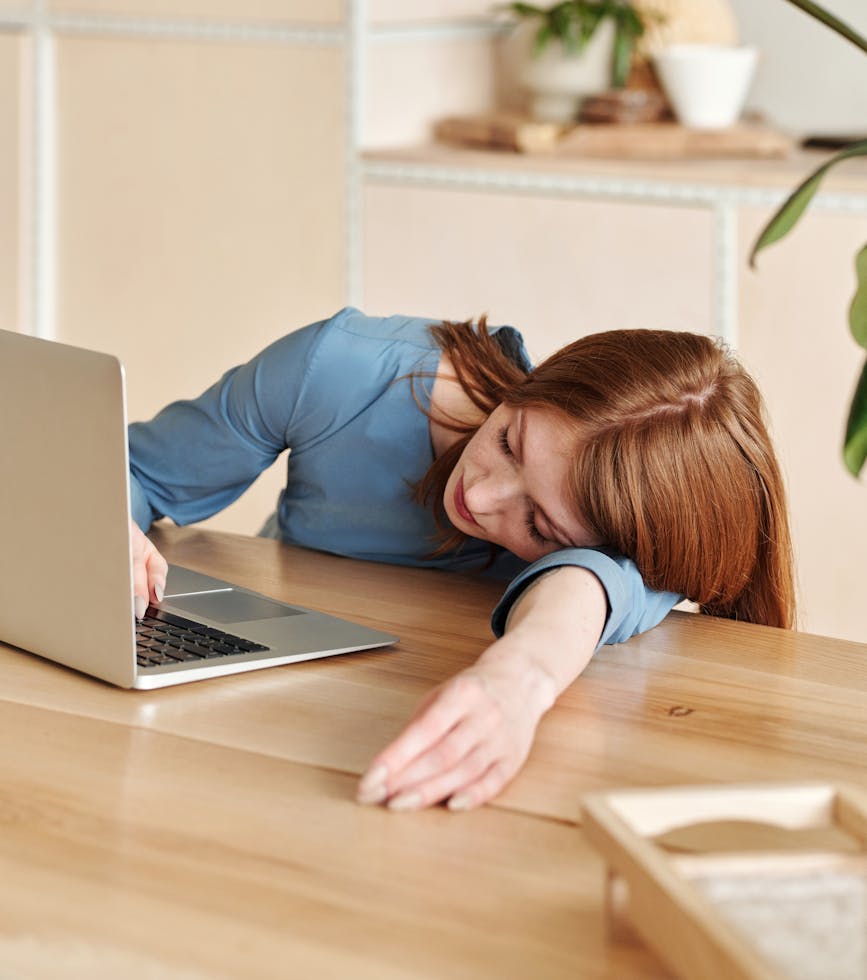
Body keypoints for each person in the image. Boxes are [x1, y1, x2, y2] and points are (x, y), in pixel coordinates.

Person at [128, 306, 795, 813]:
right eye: (509, 442)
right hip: (251, 700)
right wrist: (111, 523)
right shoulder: (341, 371)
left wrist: (518, 680)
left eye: (537, 522)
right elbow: (134, 471)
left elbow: (587, 590)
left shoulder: (621, 554)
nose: (480, 495)